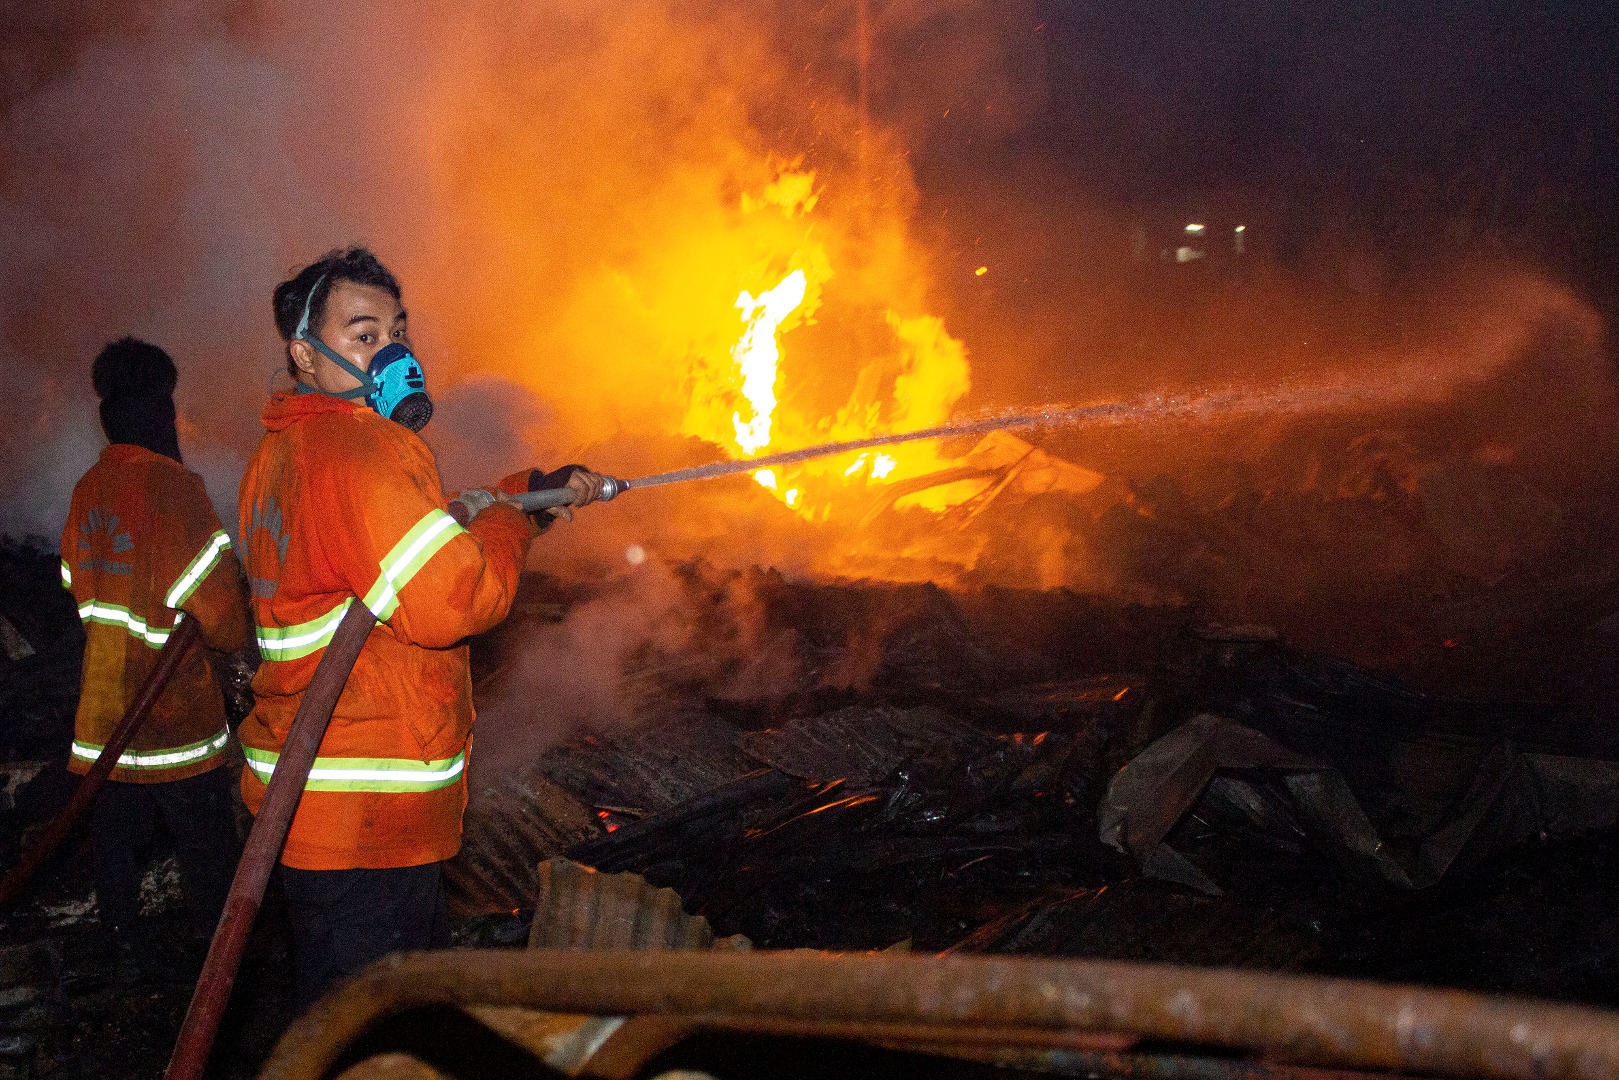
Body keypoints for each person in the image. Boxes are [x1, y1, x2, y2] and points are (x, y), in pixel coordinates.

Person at [237, 246, 605, 1010]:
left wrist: (521, 495)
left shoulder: (285, 450)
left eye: (397, 332)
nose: (391, 352)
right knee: (379, 1039)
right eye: (363, 334)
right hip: (367, 818)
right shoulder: (359, 450)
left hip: (319, 808)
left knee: (360, 1022)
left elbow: (403, 545)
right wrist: (508, 523)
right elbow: (454, 598)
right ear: (305, 354)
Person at [61, 338, 252, 977]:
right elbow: (222, 615)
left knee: (112, 848)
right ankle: (221, 970)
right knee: (209, 853)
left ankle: (126, 958)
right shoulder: (176, 489)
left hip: (104, 716)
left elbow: (75, 582)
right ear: (160, 412)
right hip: (175, 719)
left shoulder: (88, 489)